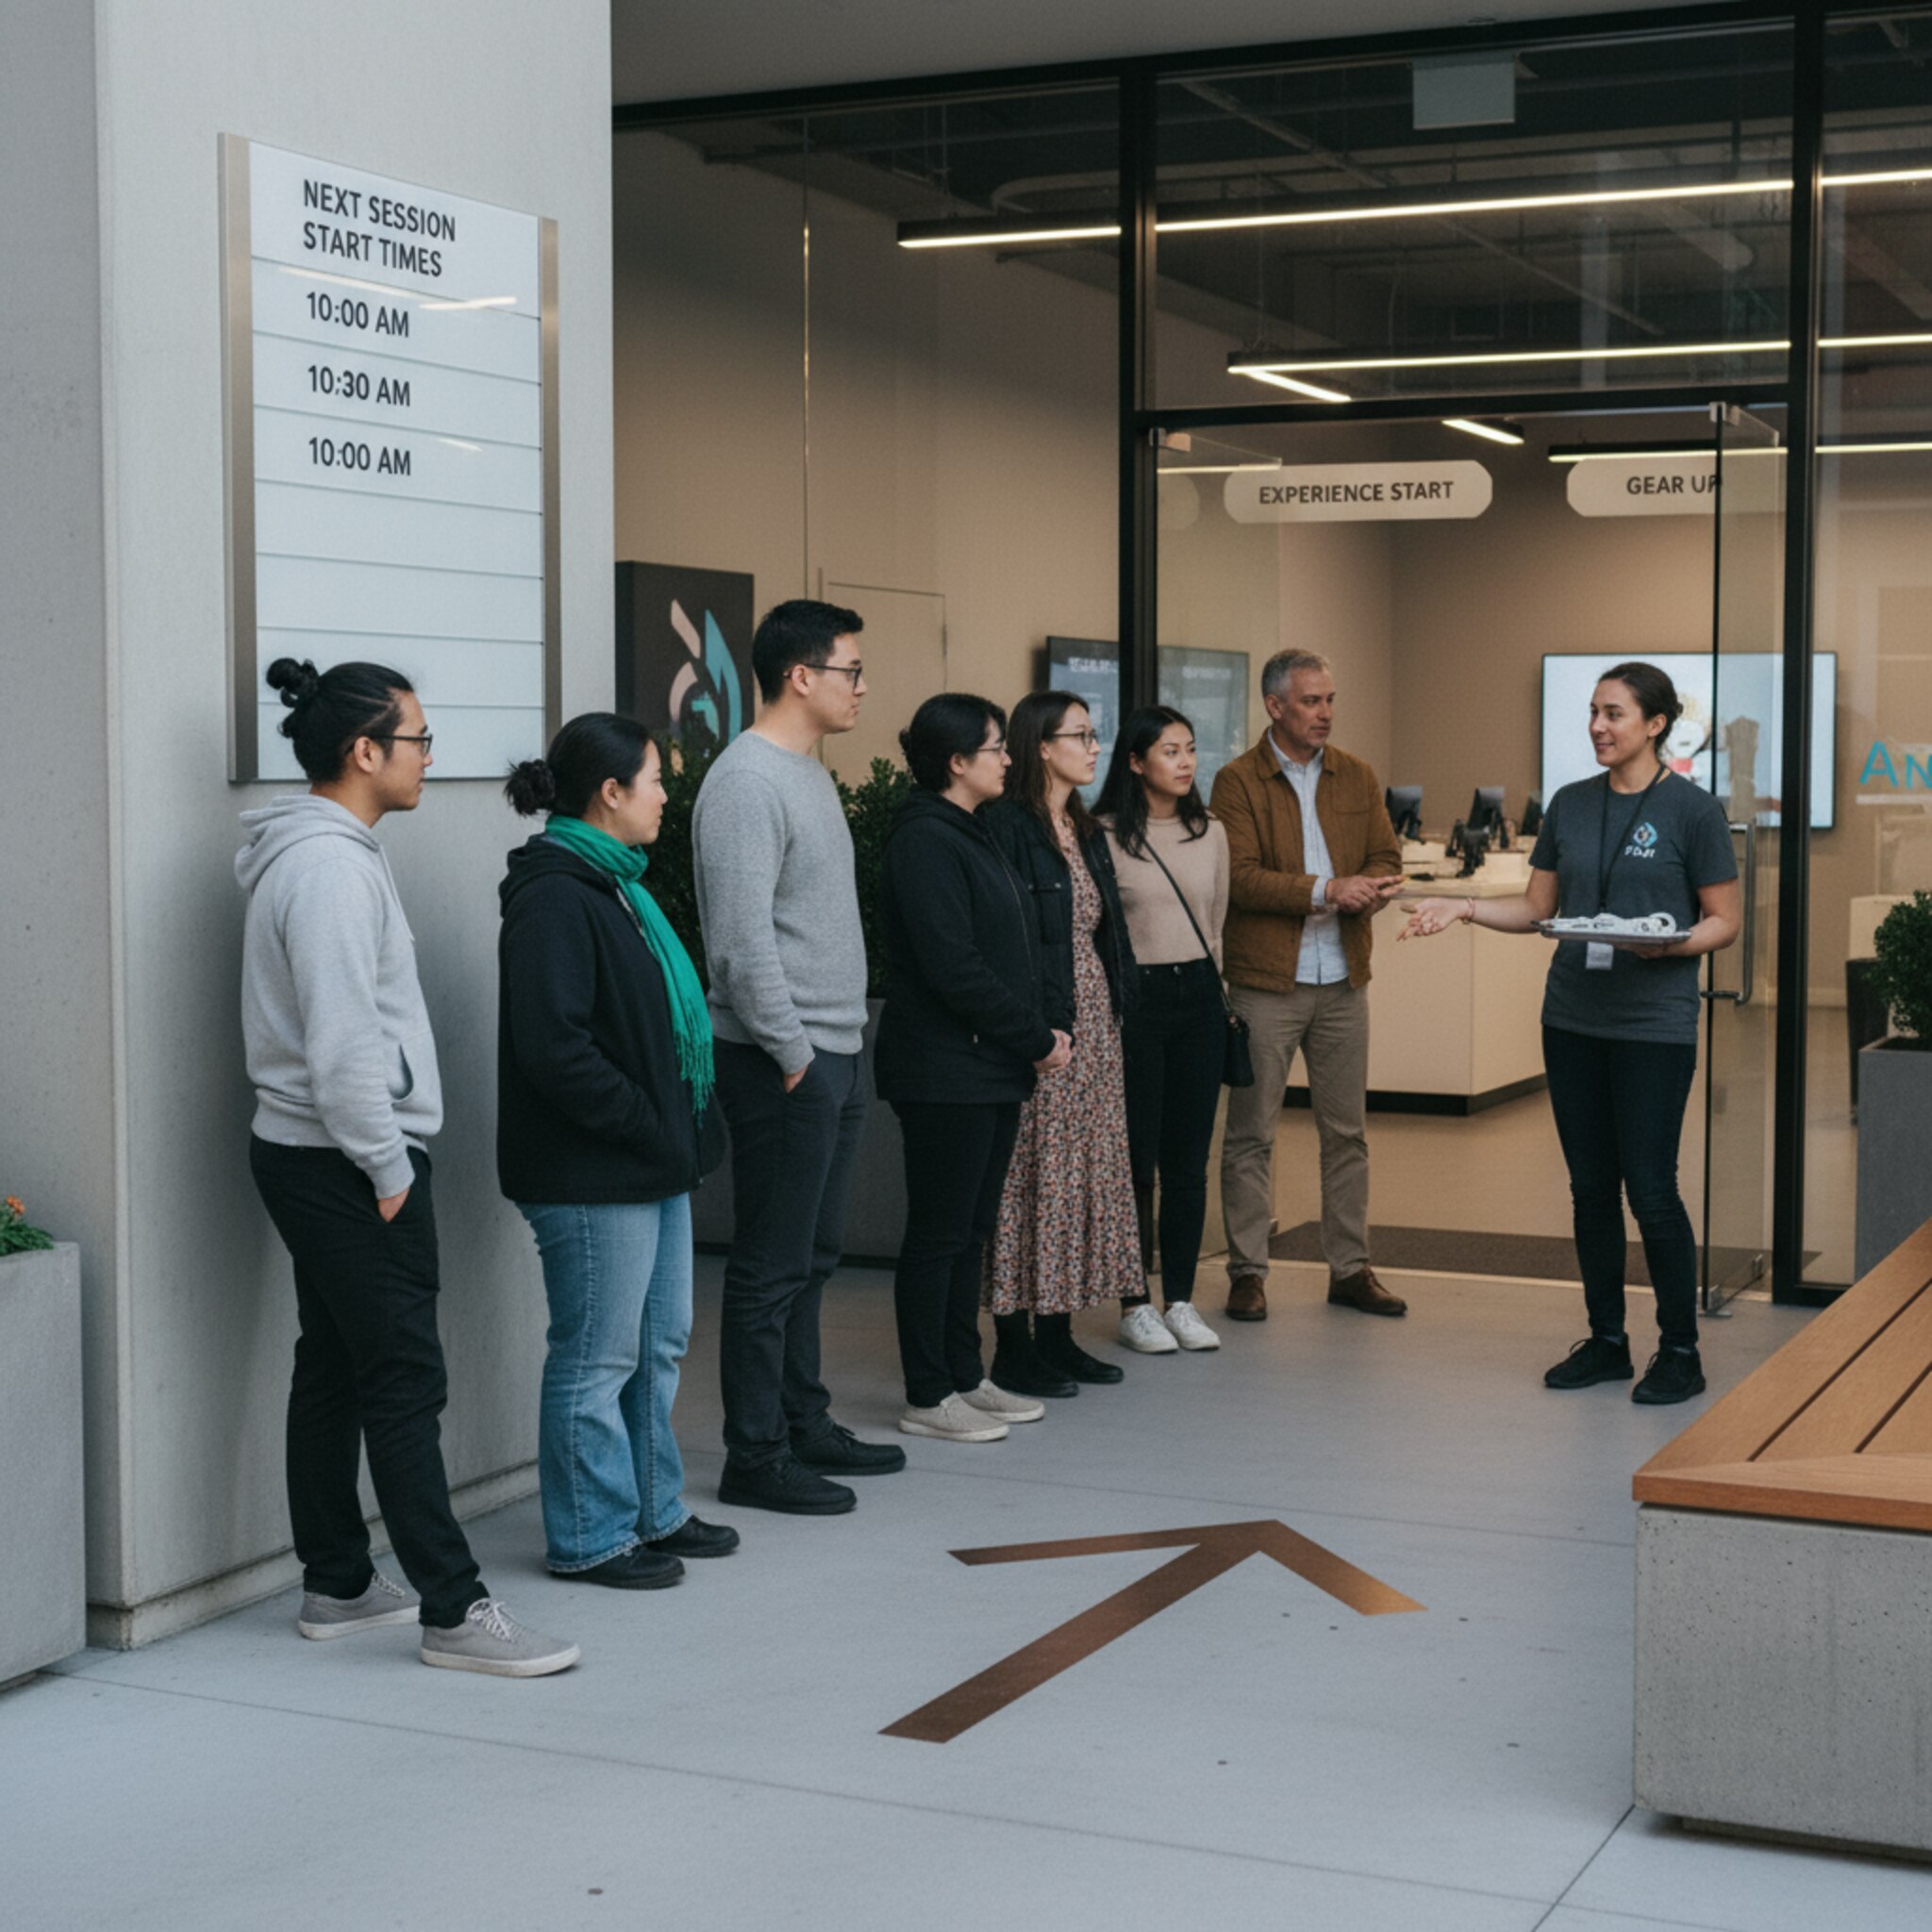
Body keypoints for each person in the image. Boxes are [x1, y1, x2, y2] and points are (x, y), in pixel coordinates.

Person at [238, 658, 577, 1678]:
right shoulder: (331, 868)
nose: (430, 756)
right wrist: (387, 1164)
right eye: (418, 738)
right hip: (348, 1157)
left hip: (311, 1151)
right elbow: (344, 1045)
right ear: (364, 750)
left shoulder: (325, 852)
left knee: (334, 1361)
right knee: (401, 1377)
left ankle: (338, 1580)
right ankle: (454, 1606)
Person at [1400, 661, 1740, 1405]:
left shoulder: (1693, 810)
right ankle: (1608, 1341)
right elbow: (1536, 910)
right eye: (1593, 712)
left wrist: (1672, 945)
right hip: (1574, 1019)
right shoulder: (1571, 804)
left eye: (1614, 714)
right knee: (1591, 1189)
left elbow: (1724, 920)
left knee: (1651, 1188)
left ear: (1655, 725)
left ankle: (1679, 1350)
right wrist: (1460, 909)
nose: (1597, 725)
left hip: (1654, 1024)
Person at [499, 715, 738, 1590]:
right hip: (594, 1170)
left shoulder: (619, 887)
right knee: (597, 1358)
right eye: (656, 780)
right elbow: (553, 1046)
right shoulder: (557, 896)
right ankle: (592, 1537)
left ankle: (652, 1510)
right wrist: (646, 1121)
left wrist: (667, 1134)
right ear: (610, 792)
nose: (667, 795)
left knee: (657, 1342)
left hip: (647, 1163)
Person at [691, 600, 907, 1513]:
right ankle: (756, 1452)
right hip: (786, 1057)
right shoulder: (746, 782)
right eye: (851, 669)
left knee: (814, 1253)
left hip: (831, 1045)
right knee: (773, 1261)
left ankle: (802, 1417)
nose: (861, 686)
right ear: (800, 676)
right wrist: (790, 1052)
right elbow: (739, 944)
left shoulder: (807, 774)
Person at [875, 696, 1072, 1440]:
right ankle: (928, 1394)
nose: (1008, 758)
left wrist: (1036, 1031)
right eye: (994, 748)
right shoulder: (925, 840)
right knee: (939, 1232)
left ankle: (966, 1374)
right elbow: (953, 966)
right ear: (955, 762)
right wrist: (1035, 1035)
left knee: (970, 1231)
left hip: (988, 1067)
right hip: (943, 1070)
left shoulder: (974, 831)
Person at [1211, 650, 1407, 1324]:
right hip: (1267, 984)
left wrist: (1371, 888)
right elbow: (1238, 876)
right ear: (1275, 706)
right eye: (1311, 701)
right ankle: (1246, 1272)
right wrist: (1327, 889)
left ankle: (1350, 1270)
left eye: (1329, 700)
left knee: (1347, 1134)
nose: (1325, 713)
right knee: (1250, 1134)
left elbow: (1386, 856)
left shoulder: (1356, 776)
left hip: (1344, 980)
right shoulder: (1237, 782)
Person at [981, 691, 1142, 1391]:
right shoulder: (1008, 826)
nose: (1093, 745)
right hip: (1045, 1018)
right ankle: (1014, 1343)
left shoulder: (1086, 827)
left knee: (1080, 1177)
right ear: (1040, 746)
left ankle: (1060, 1331)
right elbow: (1006, 936)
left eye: (1093, 733)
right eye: (1079, 734)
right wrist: (1036, 1024)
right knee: (1032, 1178)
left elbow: (1103, 930)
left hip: (1095, 1018)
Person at [1098, 706, 1231, 1354]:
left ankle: (1180, 1298)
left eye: (1190, 749)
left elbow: (1216, 924)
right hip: (1138, 1004)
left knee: (1188, 1159)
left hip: (1200, 1001)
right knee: (1136, 1159)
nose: (1185, 762)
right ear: (1135, 761)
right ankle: (1134, 1302)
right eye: (1170, 751)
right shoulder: (1101, 834)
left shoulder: (1212, 832)